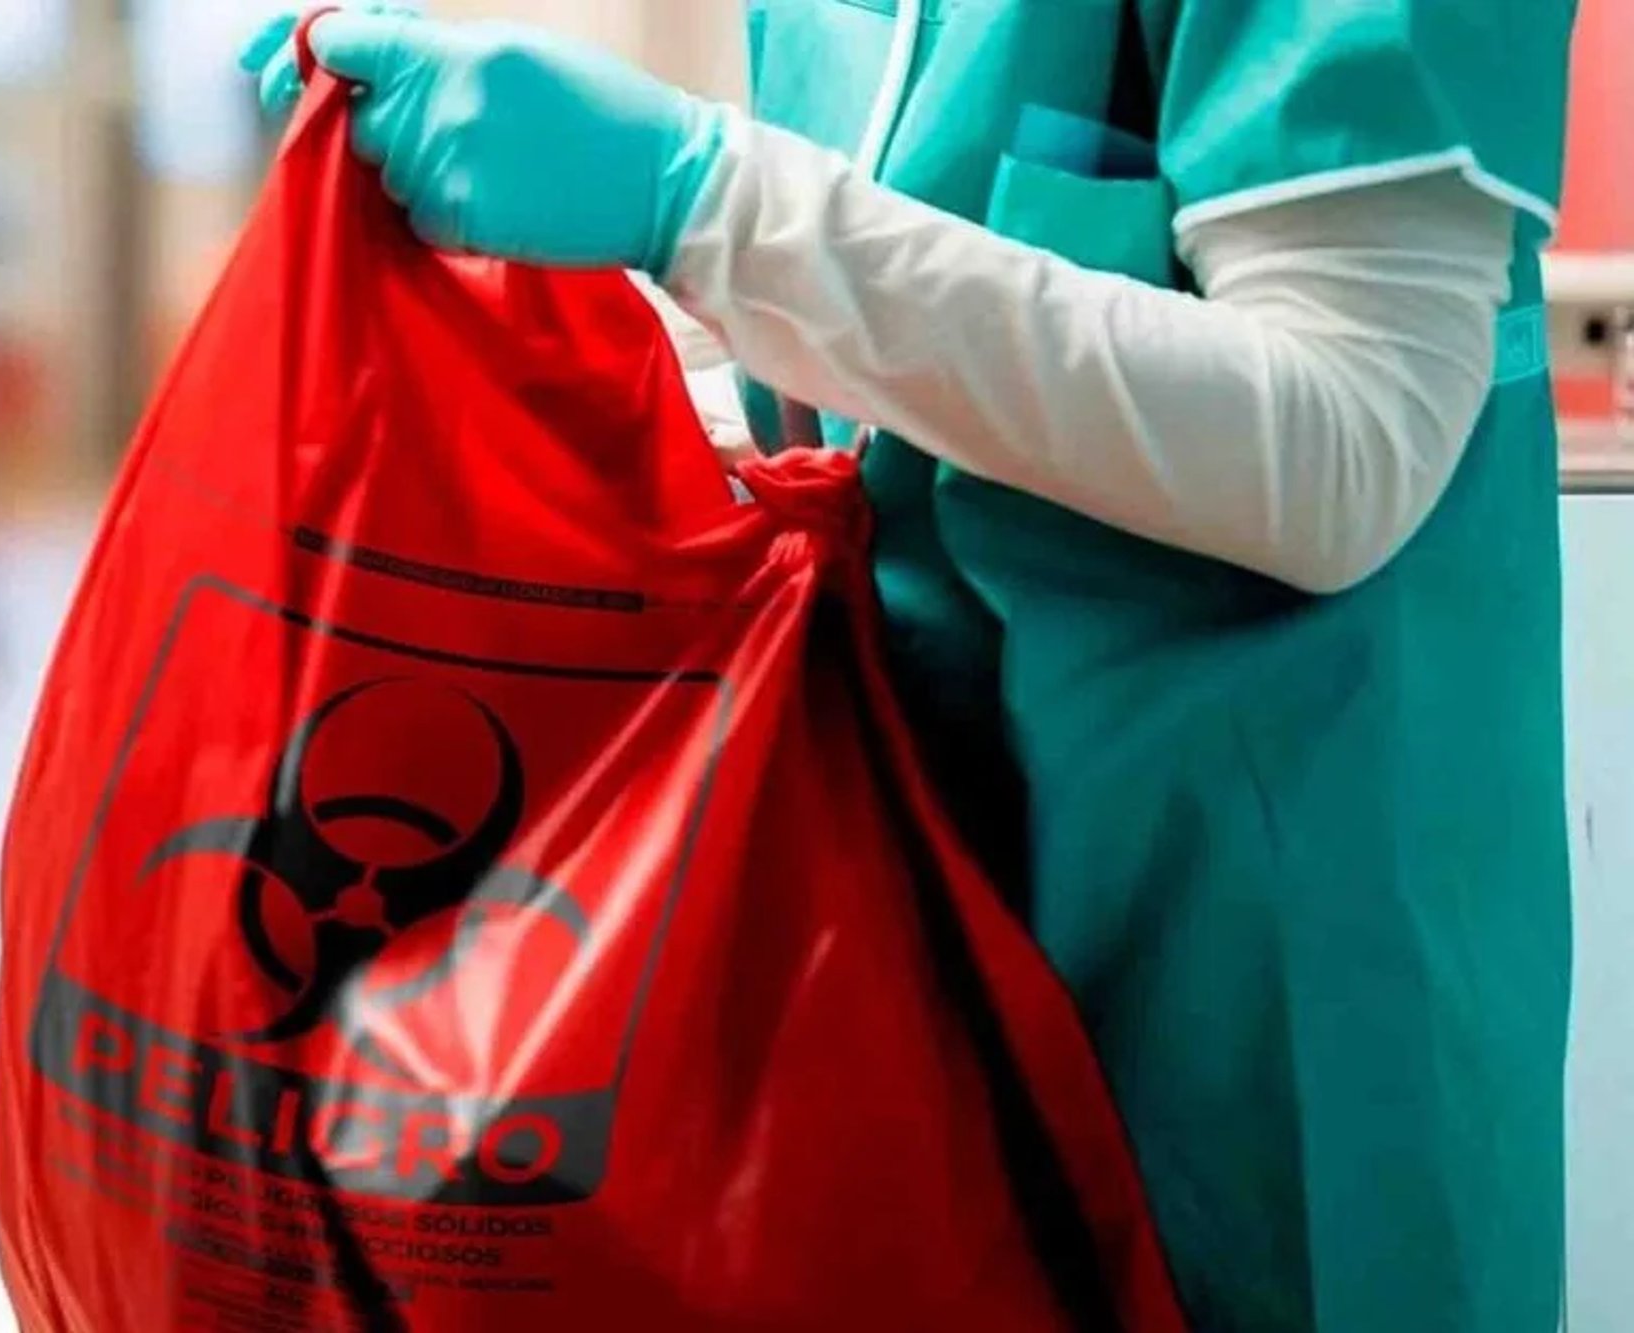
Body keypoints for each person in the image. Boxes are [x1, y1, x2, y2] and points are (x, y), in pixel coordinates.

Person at [240, 4, 1576, 1329]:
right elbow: (888, 358)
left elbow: (1339, 443)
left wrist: (706, 203)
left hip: (1248, 995)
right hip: (906, 944)